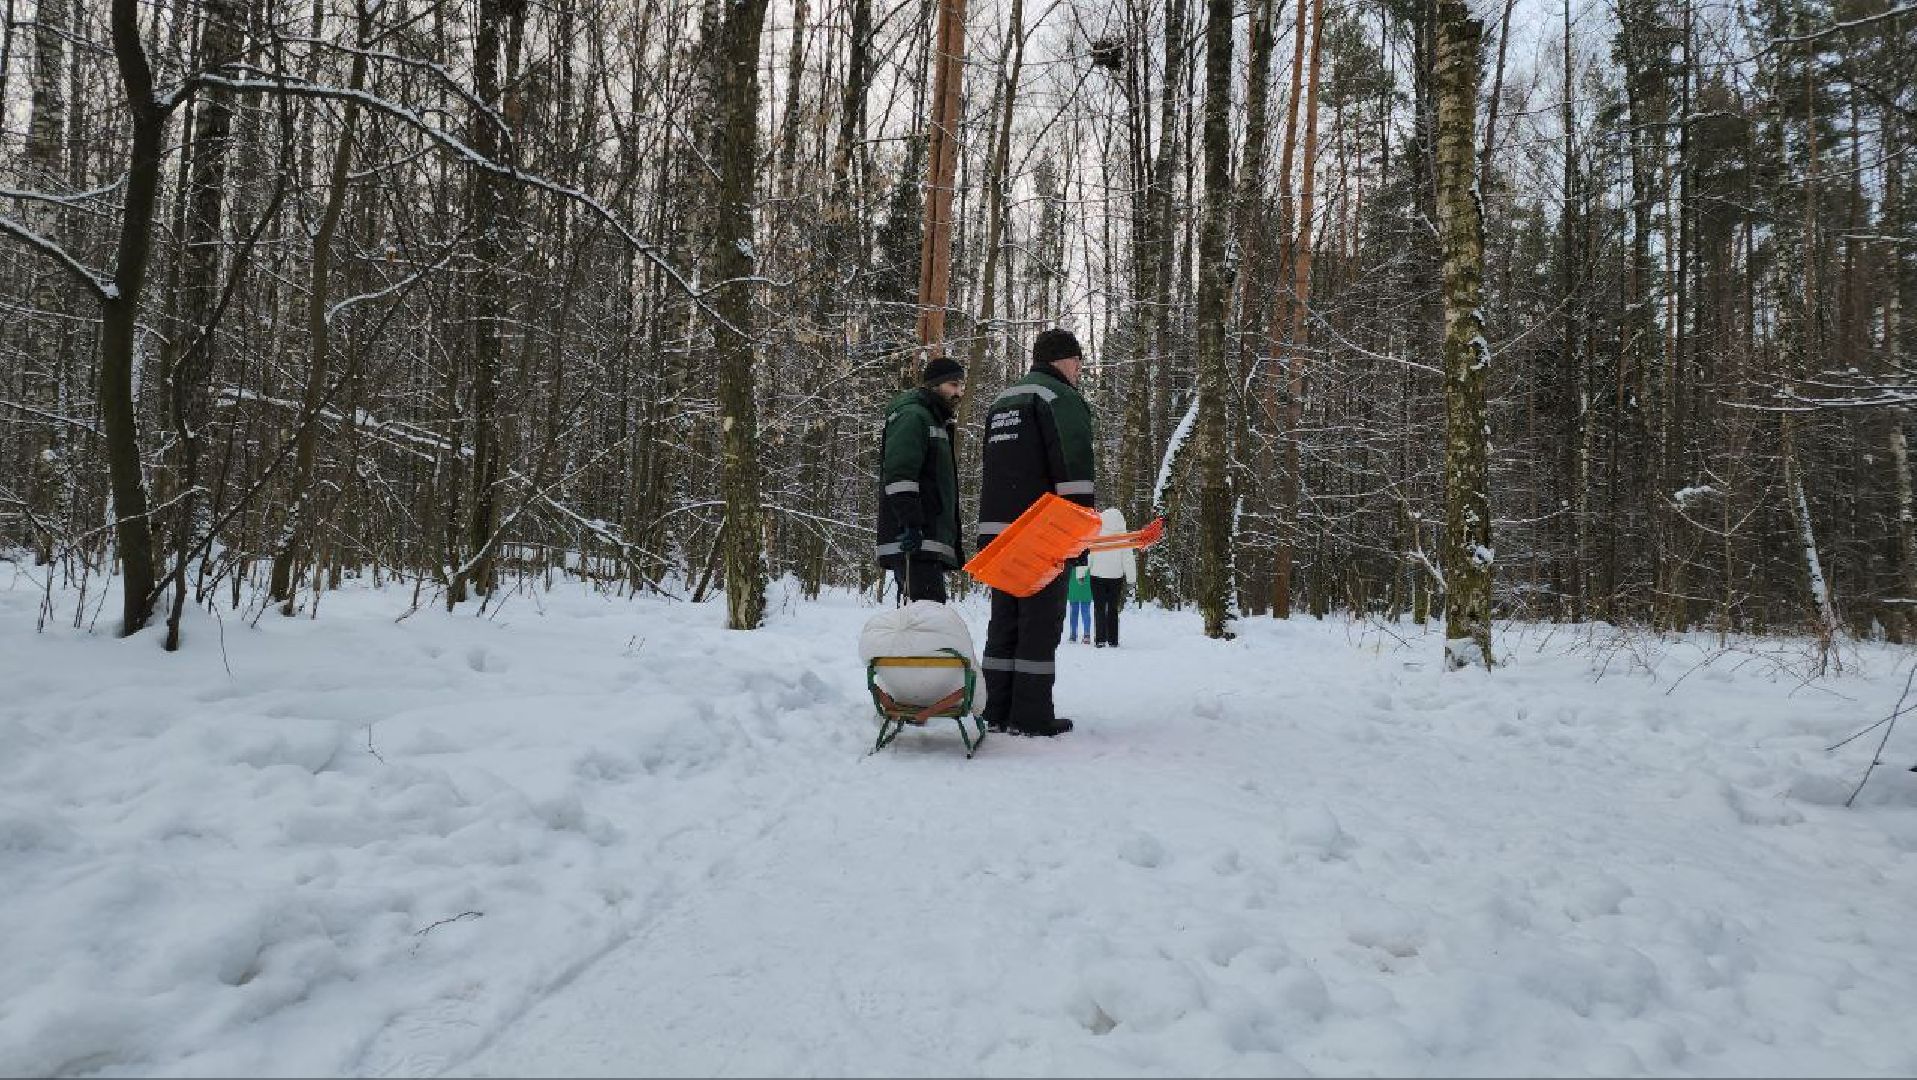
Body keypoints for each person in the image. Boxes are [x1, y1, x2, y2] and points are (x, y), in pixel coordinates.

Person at [977, 328, 1096, 737]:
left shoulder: (1002, 401)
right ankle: (1030, 715)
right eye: (1078, 361)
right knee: (1039, 621)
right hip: (1040, 533)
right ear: (1062, 360)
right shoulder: (1058, 398)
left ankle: (995, 709)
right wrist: (1077, 535)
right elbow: (1073, 465)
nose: (1080, 369)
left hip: (997, 533)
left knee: (1004, 621)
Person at [876, 356, 965, 604]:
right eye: (953, 385)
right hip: (913, 540)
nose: (959, 392)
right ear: (935, 385)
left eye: (960, 386)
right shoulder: (914, 416)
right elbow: (900, 473)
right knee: (927, 619)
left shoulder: (934, 418)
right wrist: (911, 524)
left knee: (926, 618)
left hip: (925, 540)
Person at [1089, 507, 1137, 647]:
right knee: (1113, 608)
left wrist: (1081, 573)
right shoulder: (1123, 537)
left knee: (1099, 608)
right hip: (1116, 577)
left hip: (1096, 576)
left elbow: (1088, 554)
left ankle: (1100, 639)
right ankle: (1113, 640)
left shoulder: (1096, 533)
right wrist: (1131, 579)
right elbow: (1128, 558)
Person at [1066, 562, 1093, 643]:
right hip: (1086, 577)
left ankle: (1073, 635)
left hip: (1073, 578)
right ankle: (1086, 635)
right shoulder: (1088, 552)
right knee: (1086, 611)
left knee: (1074, 611)